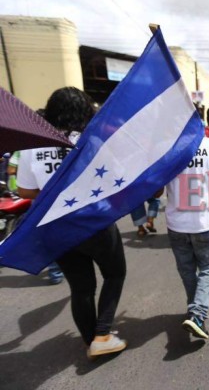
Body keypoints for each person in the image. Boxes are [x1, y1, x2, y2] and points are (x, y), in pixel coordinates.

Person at [17, 87, 127, 358]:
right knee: (114, 273)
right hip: (92, 221)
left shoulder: (35, 143)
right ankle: (102, 333)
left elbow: (25, 192)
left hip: (55, 226)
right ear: (86, 110)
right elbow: (116, 178)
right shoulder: (93, 139)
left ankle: (91, 340)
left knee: (81, 288)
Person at [165, 132, 209, 339]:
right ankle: (198, 315)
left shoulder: (167, 145)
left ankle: (194, 311)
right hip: (203, 220)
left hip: (176, 223)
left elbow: (155, 191)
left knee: (187, 270)